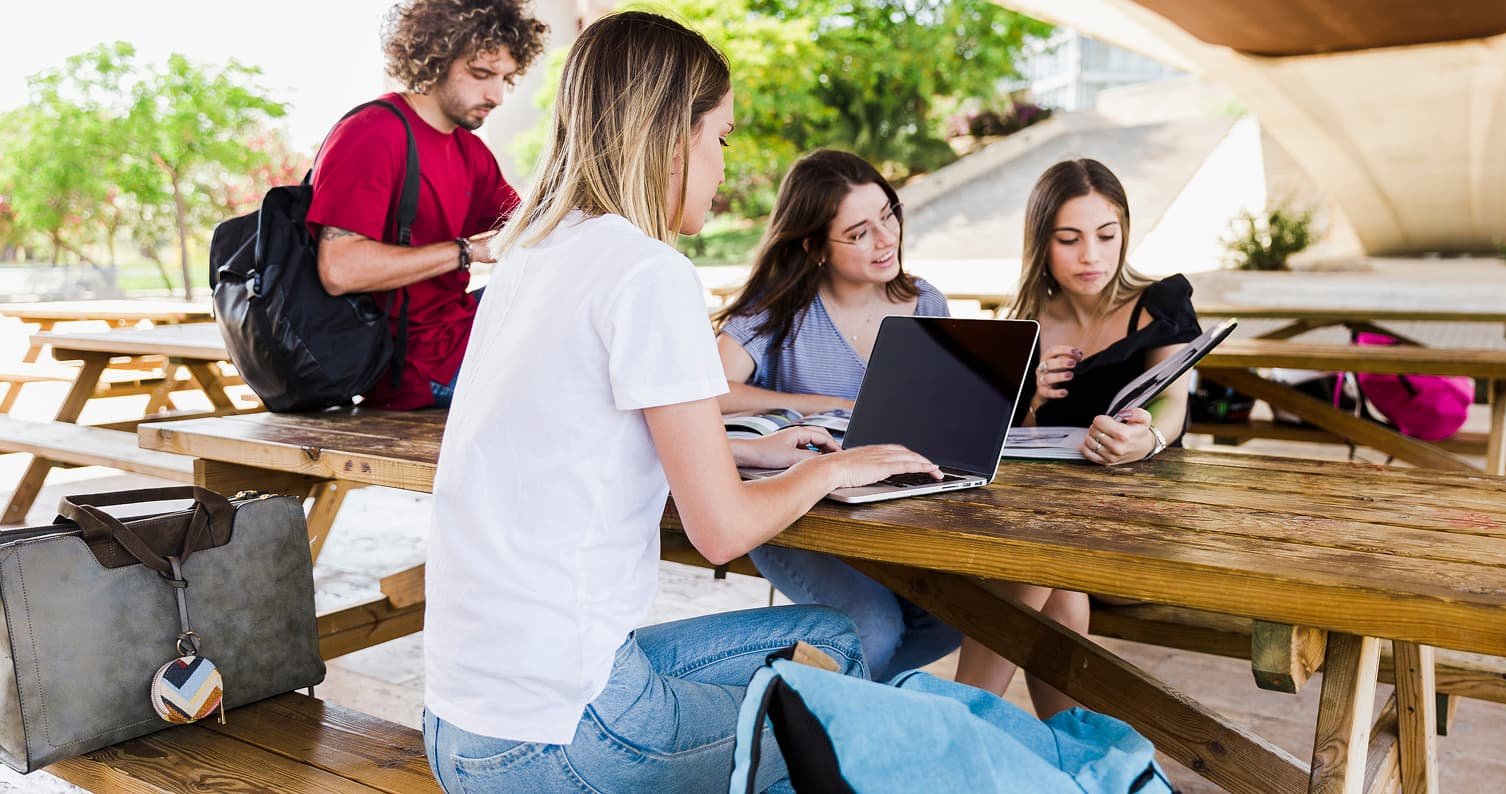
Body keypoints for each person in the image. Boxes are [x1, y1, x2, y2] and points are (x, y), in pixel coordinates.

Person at [422, 12, 942, 793]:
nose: (724, 166)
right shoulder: (648, 271)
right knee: (830, 709)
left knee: (832, 640)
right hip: (559, 741)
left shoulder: (529, 252)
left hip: (459, 724)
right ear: (674, 136)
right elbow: (722, 531)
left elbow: (577, 435)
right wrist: (832, 469)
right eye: (721, 137)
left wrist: (752, 448)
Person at [954, 158, 1201, 718]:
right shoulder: (1025, 323)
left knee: (1035, 558)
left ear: (1125, 233)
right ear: (1042, 243)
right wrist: (1032, 401)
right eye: (1070, 239)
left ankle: (960, 721)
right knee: (1053, 579)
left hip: (1145, 524)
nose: (1091, 255)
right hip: (1056, 526)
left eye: (1106, 236)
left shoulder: (1159, 305)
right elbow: (1012, 448)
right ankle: (1072, 745)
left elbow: (1174, 400)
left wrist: (1148, 439)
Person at [714, 149, 962, 680]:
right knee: (872, 628)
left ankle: (820, 695)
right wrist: (831, 406)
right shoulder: (778, 309)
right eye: (859, 233)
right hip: (793, 510)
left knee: (954, 617)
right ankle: (811, 708)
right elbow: (709, 394)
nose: (886, 238)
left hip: (893, 507)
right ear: (814, 246)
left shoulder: (926, 303)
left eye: (888, 215)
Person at [306, 0, 546, 409]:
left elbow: (532, 227)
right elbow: (339, 269)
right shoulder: (372, 133)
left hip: (460, 334)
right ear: (437, 56)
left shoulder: (471, 151)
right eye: (481, 74)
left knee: (569, 303)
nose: (497, 96)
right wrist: (467, 251)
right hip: (414, 367)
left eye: (505, 78)